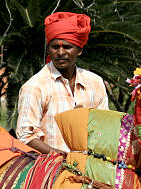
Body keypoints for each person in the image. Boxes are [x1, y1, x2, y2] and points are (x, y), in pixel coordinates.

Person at [16, 12, 109, 154]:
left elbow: (105, 127)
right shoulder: (35, 86)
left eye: (67, 47)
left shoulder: (95, 83)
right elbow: (26, 136)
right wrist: (62, 157)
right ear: (48, 49)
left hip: (91, 166)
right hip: (50, 169)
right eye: (55, 47)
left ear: (79, 50)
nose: (60, 52)